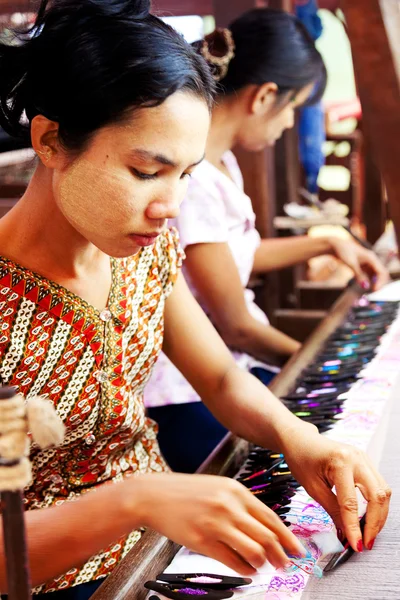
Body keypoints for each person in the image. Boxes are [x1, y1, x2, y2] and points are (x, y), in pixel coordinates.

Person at [0, 1, 391, 598]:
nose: (171, 205)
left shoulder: (145, 255)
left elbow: (221, 380)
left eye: (184, 175)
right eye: (145, 171)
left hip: (155, 558)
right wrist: (134, 500)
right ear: (51, 140)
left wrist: (304, 441)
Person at [145, 8, 390, 473]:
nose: (288, 126)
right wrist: (330, 362)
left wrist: (327, 242)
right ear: (264, 97)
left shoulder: (220, 165)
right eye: (294, 110)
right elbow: (235, 326)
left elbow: (234, 257)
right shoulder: (191, 182)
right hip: (185, 393)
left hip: (223, 371)